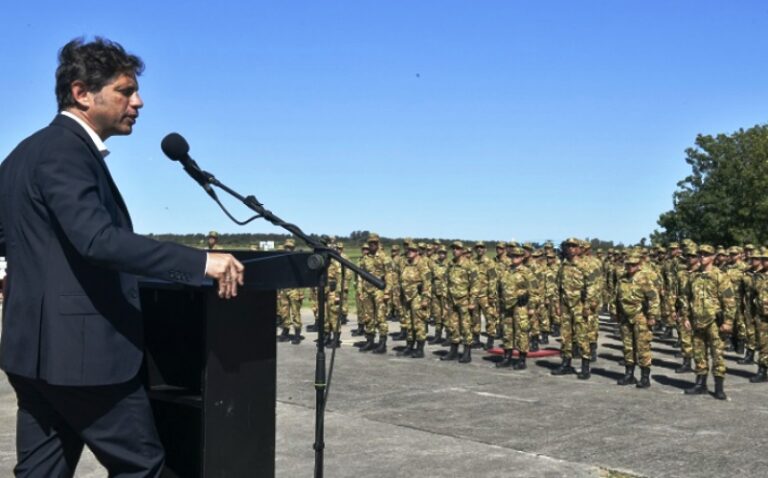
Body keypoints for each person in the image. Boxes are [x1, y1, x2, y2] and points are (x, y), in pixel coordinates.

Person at [0, 38, 245, 477]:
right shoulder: (65, 150)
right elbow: (97, 239)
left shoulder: (23, 153)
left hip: (31, 356)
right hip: (84, 360)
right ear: (81, 93)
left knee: (40, 472)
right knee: (142, 468)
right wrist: (200, 262)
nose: (138, 102)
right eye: (125, 91)